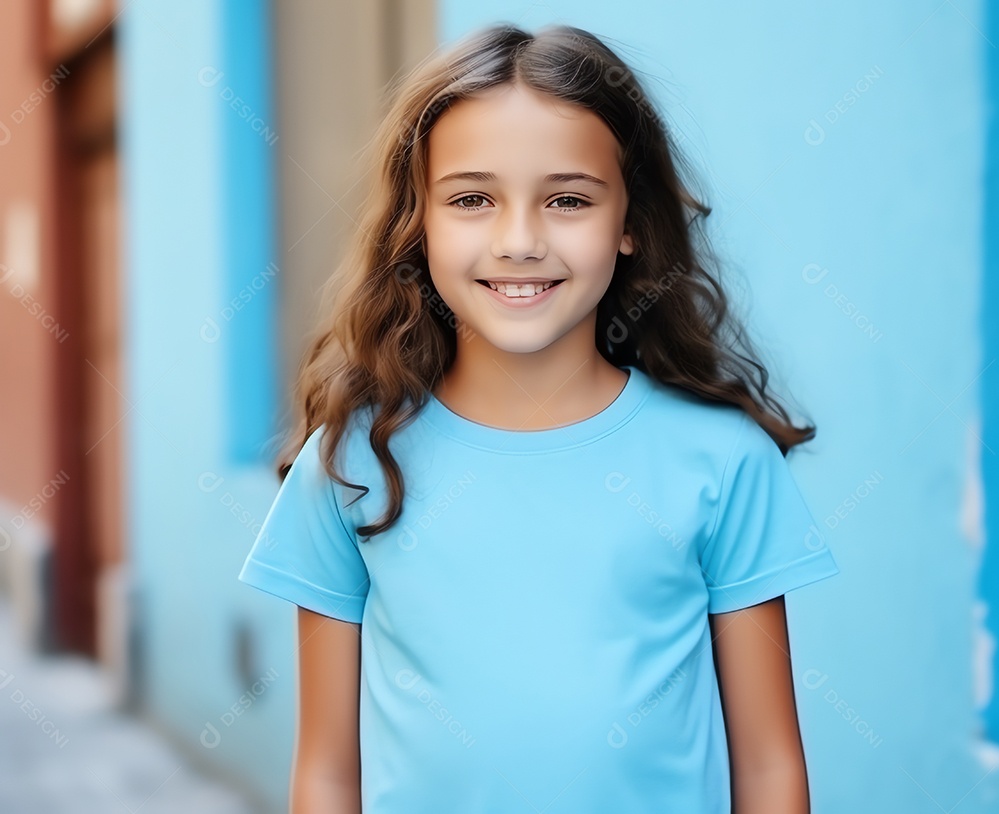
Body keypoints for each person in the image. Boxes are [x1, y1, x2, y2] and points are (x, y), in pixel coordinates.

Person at [238, 21, 841, 814]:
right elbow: (324, 773)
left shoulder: (723, 460)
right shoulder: (351, 465)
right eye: (472, 199)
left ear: (629, 223)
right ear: (417, 224)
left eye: (566, 199)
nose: (519, 241)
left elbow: (768, 769)